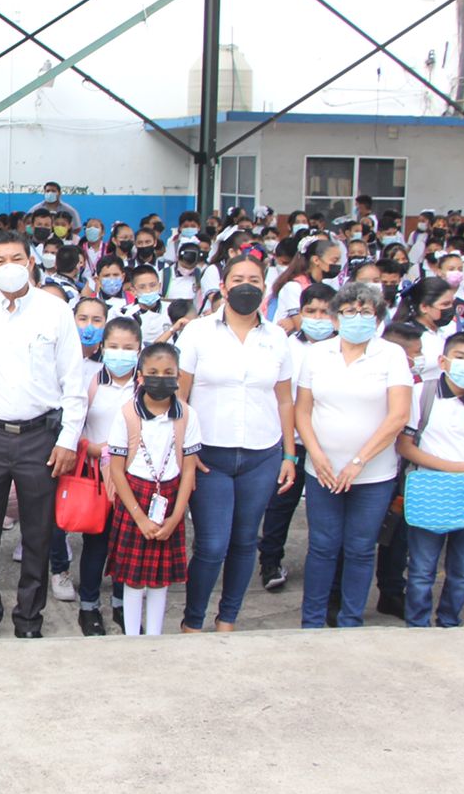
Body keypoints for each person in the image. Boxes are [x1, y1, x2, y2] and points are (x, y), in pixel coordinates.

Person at [0, 231, 86, 639]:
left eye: (15, 259)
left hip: (40, 436)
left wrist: (68, 439)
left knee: (39, 533)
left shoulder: (54, 310)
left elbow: (74, 381)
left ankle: (29, 619)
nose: (8, 267)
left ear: (30, 262)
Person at [176, 254, 296, 633]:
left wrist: (289, 454)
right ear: (223, 287)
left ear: (265, 288)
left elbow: (284, 400)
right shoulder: (198, 332)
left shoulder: (277, 337)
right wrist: (183, 451)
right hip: (208, 455)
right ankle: (193, 621)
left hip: (262, 455)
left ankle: (227, 619)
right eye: (238, 279)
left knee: (245, 542)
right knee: (212, 545)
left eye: (254, 280)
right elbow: (180, 396)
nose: (247, 286)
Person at [294, 281, 414, 629]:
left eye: (365, 311)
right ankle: (312, 621)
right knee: (322, 546)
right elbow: (303, 410)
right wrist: (316, 454)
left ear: (377, 318)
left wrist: (359, 461)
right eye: (349, 311)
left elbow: (398, 416)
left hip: (373, 473)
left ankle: (351, 620)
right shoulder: (318, 354)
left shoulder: (391, 355)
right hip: (323, 471)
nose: (357, 317)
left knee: (361, 549)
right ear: (336, 318)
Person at [396, 333, 464, 628]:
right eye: (461, 357)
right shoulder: (422, 394)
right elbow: (405, 446)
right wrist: (453, 467)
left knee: (462, 570)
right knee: (421, 569)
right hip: (429, 490)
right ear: (443, 361)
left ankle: (450, 621)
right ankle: (417, 624)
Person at [105, 342, 201, 637]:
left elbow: (189, 470)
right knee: (133, 579)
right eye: (154, 373)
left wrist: (175, 517)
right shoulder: (126, 415)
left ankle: (155, 636)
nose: (161, 379)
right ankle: (132, 637)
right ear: (141, 377)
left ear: (178, 377)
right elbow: (117, 471)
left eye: (169, 373)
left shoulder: (187, 415)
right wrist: (139, 517)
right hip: (134, 497)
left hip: (170, 498)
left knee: (160, 580)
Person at [258, 282, 337, 592]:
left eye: (324, 312)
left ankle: (326, 567)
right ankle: (270, 562)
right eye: (310, 311)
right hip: (291, 442)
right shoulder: (287, 345)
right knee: (280, 505)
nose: (317, 318)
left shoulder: (342, 350)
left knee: (325, 511)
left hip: (328, 445)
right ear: (299, 313)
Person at [75, 315, 140, 634]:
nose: (120, 353)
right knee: (96, 544)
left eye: (128, 348)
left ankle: (122, 603)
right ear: (103, 346)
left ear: (139, 349)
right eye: (114, 346)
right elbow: (74, 425)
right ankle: (88, 607)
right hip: (97, 478)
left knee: (127, 543)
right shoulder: (91, 381)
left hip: (135, 478)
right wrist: (90, 448)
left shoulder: (145, 386)